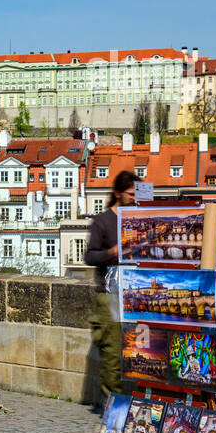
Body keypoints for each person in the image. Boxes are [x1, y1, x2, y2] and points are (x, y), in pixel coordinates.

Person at [85, 170, 138, 406]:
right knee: (113, 355)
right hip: (110, 296)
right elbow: (89, 256)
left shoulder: (137, 217)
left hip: (134, 294)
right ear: (118, 193)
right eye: (130, 194)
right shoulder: (103, 221)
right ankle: (113, 408)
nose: (134, 198)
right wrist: (112, 253)